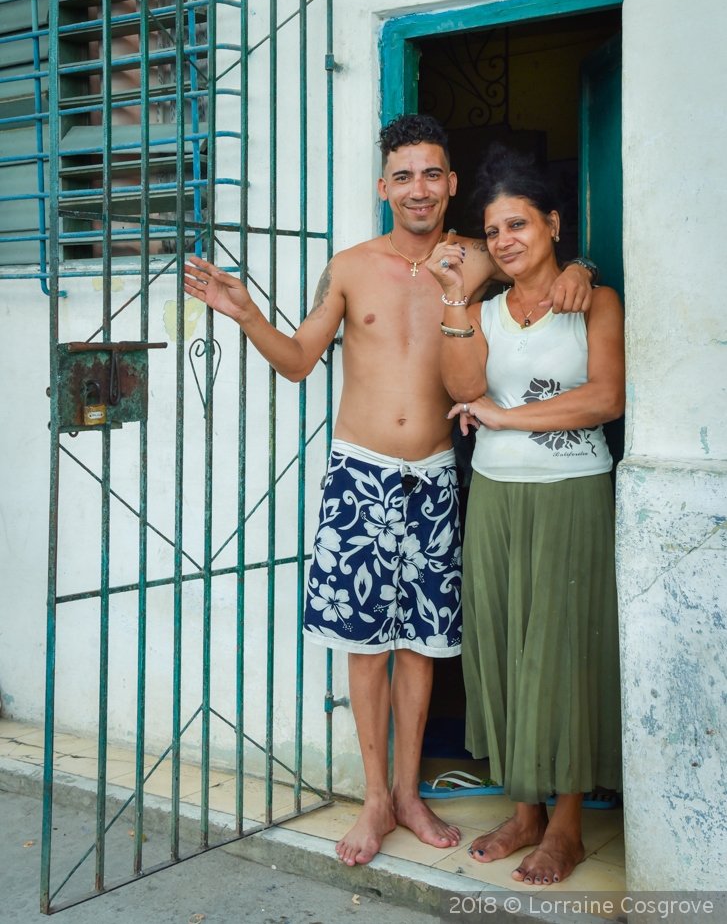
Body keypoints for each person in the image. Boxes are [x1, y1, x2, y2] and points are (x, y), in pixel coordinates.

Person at [183, 115, 595, 868]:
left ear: (450, 185)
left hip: (436, 474)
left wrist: (583, 270)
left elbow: (538, 263)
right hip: (359, 473)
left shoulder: (474, 259)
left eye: (433, 174)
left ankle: (409, 793)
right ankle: (376, 799)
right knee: (364, 648)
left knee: (421, 645)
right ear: (383, 186)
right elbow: (300, 360)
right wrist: (246, 315)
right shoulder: (349, 267)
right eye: (403, 175)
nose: (419, 189)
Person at [425, 144, 624, 886]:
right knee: (504, 648)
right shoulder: (481, 310)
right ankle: (524, 809)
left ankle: (567, 825)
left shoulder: (593, 300)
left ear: (553, 222)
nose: (506, 239)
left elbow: (606, 399)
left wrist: (509, 419)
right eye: (494, 230)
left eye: (520, 223)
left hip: (570, 490)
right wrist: (452, 295)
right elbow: (466, 383)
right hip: (496, 495)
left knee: (560, 651)